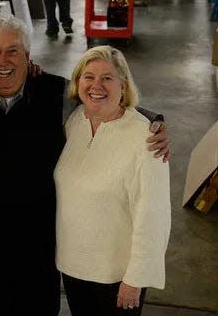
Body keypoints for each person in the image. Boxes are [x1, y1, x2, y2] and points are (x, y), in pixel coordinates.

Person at [0, 14, 170, 316]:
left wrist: (154, 121)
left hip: (40, 251)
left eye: (13, 50)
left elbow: (103, 99)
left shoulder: (52, 93)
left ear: (27, 57)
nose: (4, 61)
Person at [55, 46, 171, 316]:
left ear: (123, 85)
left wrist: (135, 279)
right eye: (89, 77)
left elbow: (153, 218)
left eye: (107, 78)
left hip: (116, 276)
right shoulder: (74, 121)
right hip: (73, 266)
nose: (97, 85)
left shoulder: (146, 139)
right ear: (77, 82)